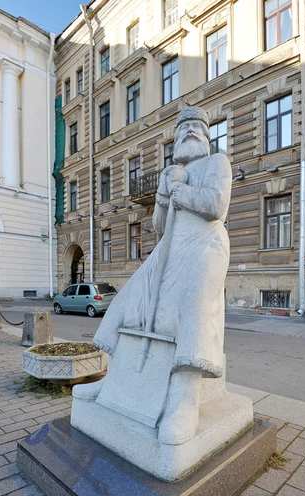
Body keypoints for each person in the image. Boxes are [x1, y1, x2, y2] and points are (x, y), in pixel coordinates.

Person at [73, 106, 232, 445]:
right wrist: (162, 195)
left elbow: (215, 205)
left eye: (195, 126)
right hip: (170, 250)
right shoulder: (170, 172)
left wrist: (178, 191)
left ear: (206, 135)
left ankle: (184, 399)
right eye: (183, 127)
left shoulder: (217, 163)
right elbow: (160, 228)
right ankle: (115, 380)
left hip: (205, 244)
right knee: (131, 300)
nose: (189, 131)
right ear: (176, 137)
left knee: (193, 297)